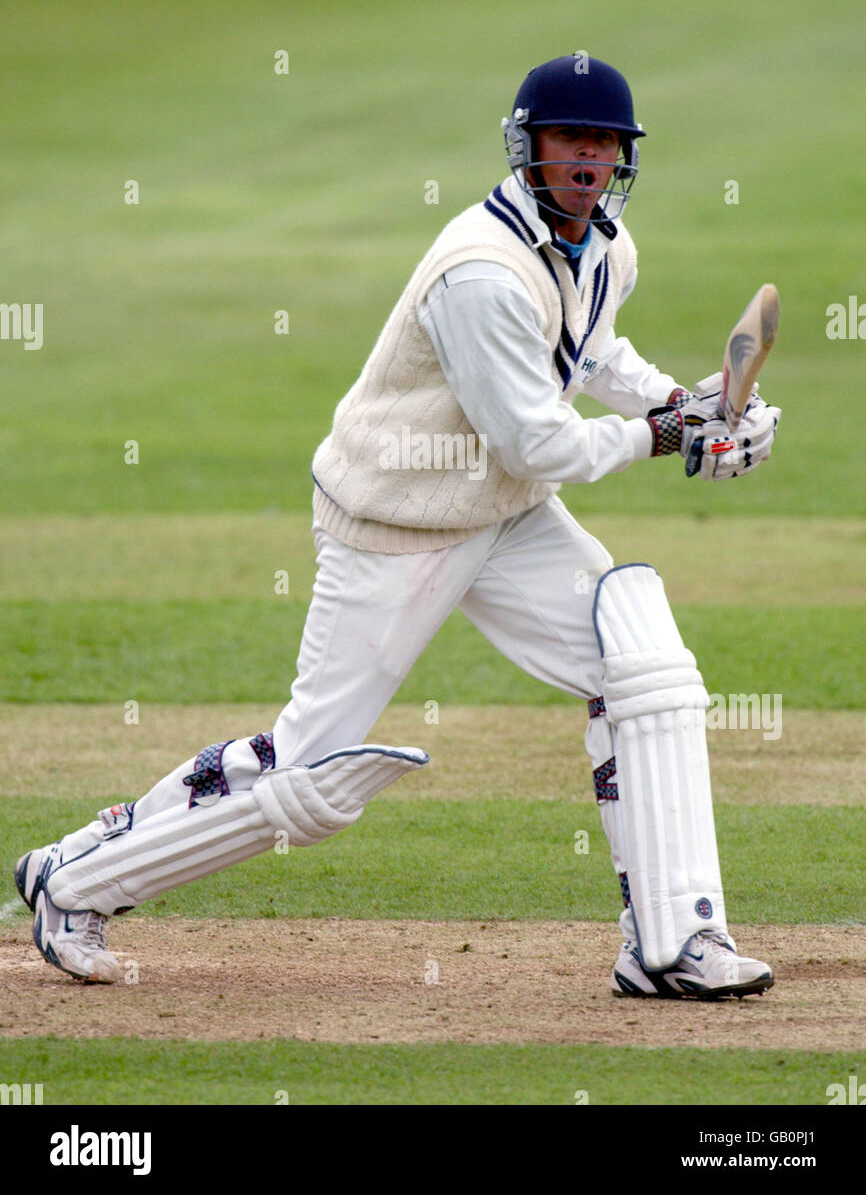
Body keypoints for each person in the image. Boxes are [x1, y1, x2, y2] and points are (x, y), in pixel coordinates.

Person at [16, 55, 780, 999]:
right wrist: (670, 438)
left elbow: (593, 352)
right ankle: (75, 881)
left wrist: (692, 403)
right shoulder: (481, 273)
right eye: (569, 139)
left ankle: (671, 942)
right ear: (528, 146)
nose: (588, 157)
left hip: (504, 516)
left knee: (644, 670)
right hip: (400, 523)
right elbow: (538, 441)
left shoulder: (608, 247)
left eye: (605, 143)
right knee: (313, 774)